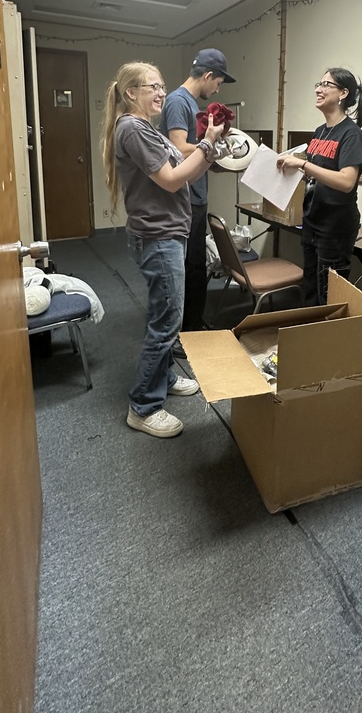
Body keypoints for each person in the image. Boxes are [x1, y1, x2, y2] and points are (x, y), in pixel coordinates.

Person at [101, 61, 225, 439]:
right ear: (130, 93)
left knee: (164, 311)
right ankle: (143, 405)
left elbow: (185, 170)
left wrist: (210, 150)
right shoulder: (132, 128)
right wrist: (206, 144)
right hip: (158, 238)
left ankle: (164, 376)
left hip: (166, 233)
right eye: (151, 87)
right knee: (167, 320)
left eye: (162, 86)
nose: (160, 93)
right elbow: (172, 181)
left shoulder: (147, 129)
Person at [276, 68, 362, 306]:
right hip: (312, 221)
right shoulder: (320, 132)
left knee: (327, 296)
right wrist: (292, 169)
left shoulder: (351, 134)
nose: (318, 89)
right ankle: (308, 341)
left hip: (335, 228)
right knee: (310, 289)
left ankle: (325, 342)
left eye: (326, 85)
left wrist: (304, 164)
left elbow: (346, 181)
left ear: (343, 93)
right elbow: (316, 176)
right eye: (318, 84)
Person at [159, 47, 236, 334]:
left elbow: (197, 151)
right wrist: (214, 149)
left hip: (196, 195)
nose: (217, 90)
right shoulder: (178, 102)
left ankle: (192, 323)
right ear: (207, 75)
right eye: (217, 83)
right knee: (188, 267)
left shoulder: (191, 104)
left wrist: (214, 154)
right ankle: (187, 330)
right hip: (185, 199)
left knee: (195, 264)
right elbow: (179, 148)